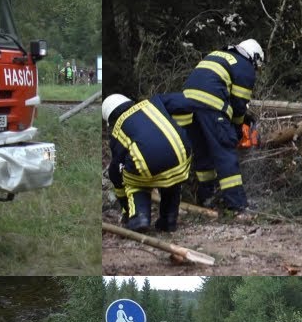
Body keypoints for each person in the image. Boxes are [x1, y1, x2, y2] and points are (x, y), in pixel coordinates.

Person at [182, 39, 264, 212]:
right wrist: (236, 130)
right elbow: (239, 104)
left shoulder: (217, 55)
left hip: (186, 105)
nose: (255, 69)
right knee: (225, 152)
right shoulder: (244, 66)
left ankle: (206, 198)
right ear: (254, 57)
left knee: (202, 153)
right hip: (211, 106)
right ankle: (237, 205)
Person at [104, 91, 195, 232]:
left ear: (111, 120)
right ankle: (169, 221)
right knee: (172, 181)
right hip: (182, 156)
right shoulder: (152, 103)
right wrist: (183, 127)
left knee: (133, 182)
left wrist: (125, 206)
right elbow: (183, 102)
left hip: (148, 167)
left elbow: (116, 170)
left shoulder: (119, 128)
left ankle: (139, 218)